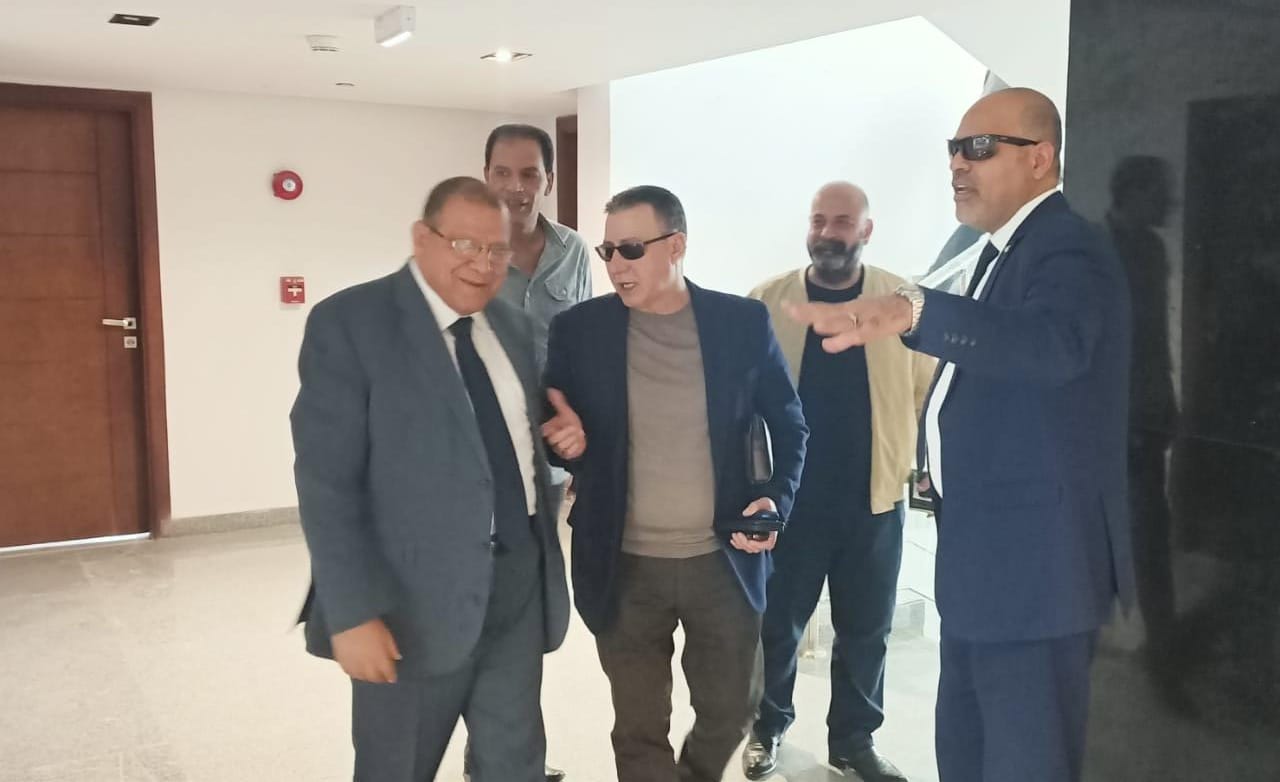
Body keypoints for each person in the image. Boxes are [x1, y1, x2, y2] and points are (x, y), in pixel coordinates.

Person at [788, 88, 1134, 782]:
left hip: (1034, 577)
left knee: (1023, 760)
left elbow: (1051, 344)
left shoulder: (1067, 246)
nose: (957, 164)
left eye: (978, 148)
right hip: (985, 568)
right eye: (953, 149)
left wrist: (914, 311)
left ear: (1039, 158)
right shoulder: (997, 252)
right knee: (969, 756)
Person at [291, 177, 572, 782]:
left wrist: (562, 433)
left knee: (516, 763)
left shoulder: (514, 327)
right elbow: (327, 483)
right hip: (408, 604)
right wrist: (351, 611)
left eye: (497, 250)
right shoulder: (352, 323)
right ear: (422, 238)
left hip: (517, 591)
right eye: (465, 245)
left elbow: (507, 442)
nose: (483, 264)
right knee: (397, 766)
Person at [541, 185, 808, 782]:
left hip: (724, 559)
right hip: (624, 563)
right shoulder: (579, 330)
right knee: (638, 727)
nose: (616, 265)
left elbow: (790, 422)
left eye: (631, 249)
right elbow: (552, 415)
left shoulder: (740, 324)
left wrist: (776, 498)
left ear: (677, 245)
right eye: (607, 250)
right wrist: (563, 439)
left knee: (732, 709)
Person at [743, 182, 934, 781]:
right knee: (775, 626)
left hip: (874, 498)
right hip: (789, 502)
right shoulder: (767, 303)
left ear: (866, 230)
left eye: (843, 222)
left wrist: (922, 467)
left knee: (866, 629)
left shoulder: (899, 304)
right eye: (819, 220)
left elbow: (924, 393)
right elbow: (737, 403)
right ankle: (766, 727)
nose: (828, 233)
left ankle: (853, 740)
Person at [478, 121, 593, 782]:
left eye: (530, 174)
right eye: (504, 172)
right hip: (473, 461)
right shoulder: (465, 246)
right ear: (486, 175)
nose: (516, 187)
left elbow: (584, 352)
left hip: (545, 463)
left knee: (525, 613)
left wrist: (584, 453)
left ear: (549, 180)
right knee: (476, 607)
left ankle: (511, 760)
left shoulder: (574, 252)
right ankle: (496, 759)